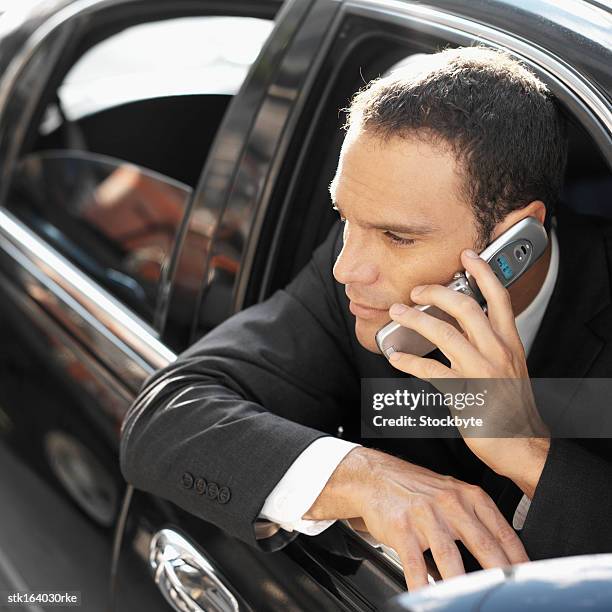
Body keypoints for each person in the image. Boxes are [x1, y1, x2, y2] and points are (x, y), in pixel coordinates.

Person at [119, 46, 612, 590]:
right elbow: (167, 415)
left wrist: (526, 450)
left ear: (516, 240)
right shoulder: (360, 276)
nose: (346, 268)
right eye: (345, 218)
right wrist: (368, 478)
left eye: (398, 237)